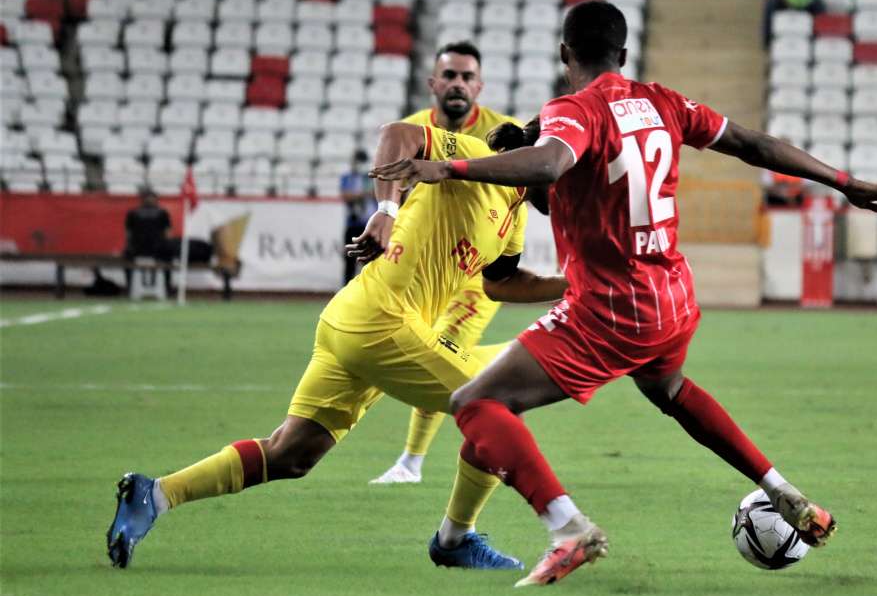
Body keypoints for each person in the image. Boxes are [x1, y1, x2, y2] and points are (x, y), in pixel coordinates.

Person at [371, 0, 877, 586]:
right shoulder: (664, 101)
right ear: (624, 55)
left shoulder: (575, 108)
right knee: (671, 389)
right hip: (674, 297)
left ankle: (567, 528)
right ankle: (782, 491)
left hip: (611, 308)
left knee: (477, 405)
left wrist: (449, 170)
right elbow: (756, 145)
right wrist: (846, 183)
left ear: (565, 55)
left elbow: (551, 164)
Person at [106, 120, 567, 573]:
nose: (569, 187)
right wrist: (386, 210)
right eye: (567, 172)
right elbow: (398, 134)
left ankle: (156, 494)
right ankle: (455, 539)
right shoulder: (471, 155)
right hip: (381, 320)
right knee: (496, 402)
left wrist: (573, 286)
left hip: (364, 324)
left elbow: (501, 283)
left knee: (291, 454)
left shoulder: (515, 214)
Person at [370, 41, 523, 485]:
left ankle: (411, 462)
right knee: (414, 350)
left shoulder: (503, 130)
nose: (458, 84)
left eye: (466, 77)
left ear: (479, 86)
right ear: (433, 83)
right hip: (423, 267)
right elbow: (390, 189)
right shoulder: (412, 130)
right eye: (450, 75)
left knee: (445, 348)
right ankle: (510, 372)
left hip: (475, 269)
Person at [339, 149, 374, 284]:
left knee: (369, 262)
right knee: (349, 261)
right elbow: (345, 195)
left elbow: (377, 194)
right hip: (353, 224)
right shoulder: (347, 177)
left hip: (369, 226)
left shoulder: (371, 177)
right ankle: (345, 291)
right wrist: (362, 194)